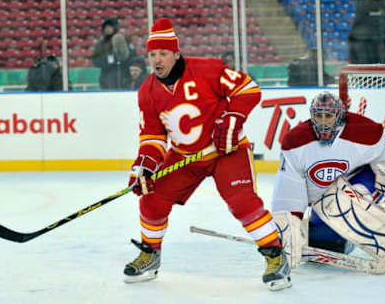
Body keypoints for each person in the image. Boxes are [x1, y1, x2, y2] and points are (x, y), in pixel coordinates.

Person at [124, 18, 291, 291]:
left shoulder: (207, 69)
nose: (157, 60)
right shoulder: (147, 92)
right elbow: (153, 136)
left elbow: (248, 89)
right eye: (152, 54)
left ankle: (275, 255)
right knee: (151, 199)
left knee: (242, 202)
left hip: (227, 150)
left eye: (163, 53)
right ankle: (150, 254)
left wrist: (233, 118)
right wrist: (144, 165)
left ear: (176, 53)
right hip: (185, 158)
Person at [270, 92, 385, 273]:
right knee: (325, 244)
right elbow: (289, 191)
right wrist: (289, 229)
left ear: (339, 116)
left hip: (361, 184)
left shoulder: (366, 132)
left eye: (328, 116)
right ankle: (331, 232)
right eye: (318, 115)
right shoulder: (295, 142)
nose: (323, 122)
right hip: (323, 201)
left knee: (362, 196)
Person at [91, 17, 136, 89]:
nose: (108, 29)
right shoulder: (101, 44)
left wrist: (123, 62)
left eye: (110, 27)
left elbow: (133, 55)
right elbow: (95, 60)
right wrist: (107, 64)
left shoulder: (125, 40)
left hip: (124, 74)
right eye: (106, 28)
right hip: (107, 77)